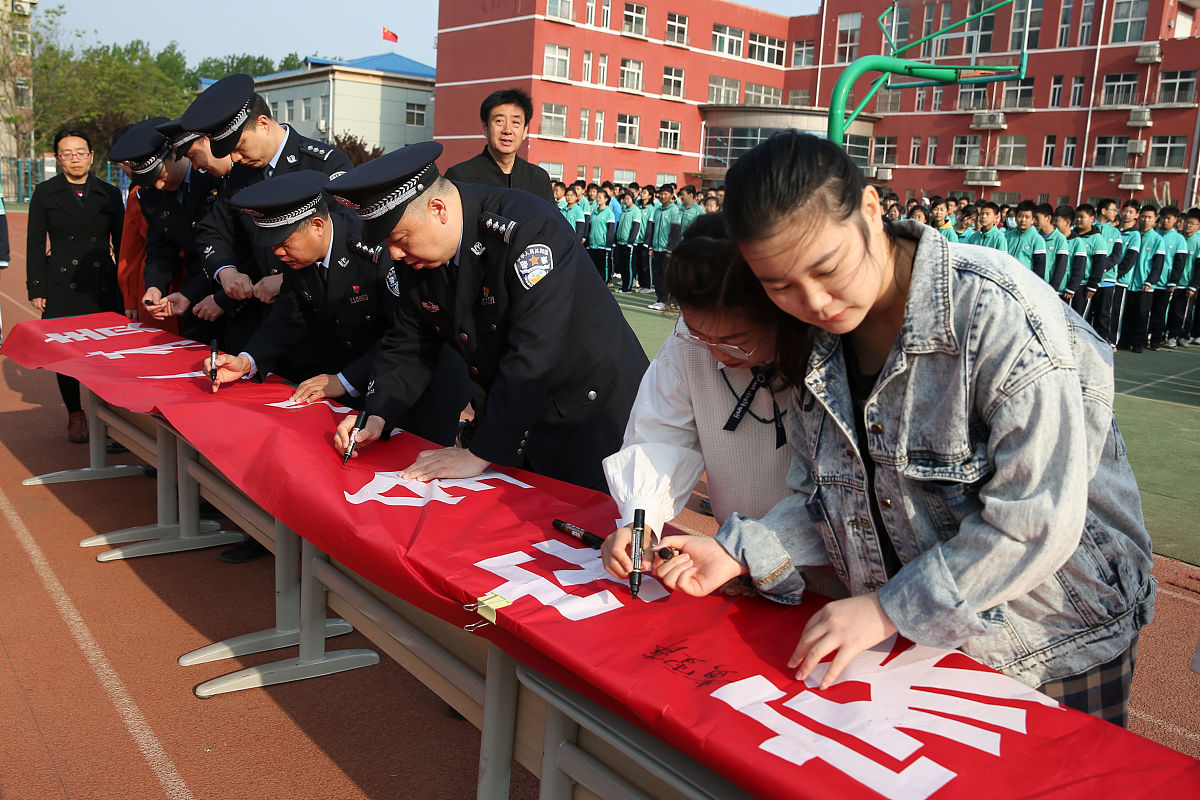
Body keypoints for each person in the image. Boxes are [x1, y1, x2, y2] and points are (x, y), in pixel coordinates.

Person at [651, 132, 1155, 726]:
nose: (814, 301)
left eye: (827, 267)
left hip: (1050, 646)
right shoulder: (817, 341)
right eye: (779, 285)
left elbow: (1037, 519)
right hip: (919, 645)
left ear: (870, 209)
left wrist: (890, 610)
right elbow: (824, 494)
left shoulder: (995, 314)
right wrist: (738, 551)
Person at [326, 141, 648, 491]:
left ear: (437, 209)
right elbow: (409, 340)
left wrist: (481, 451)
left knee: (596, 529)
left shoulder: (527, 231)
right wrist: (377, 414)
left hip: (590, 411)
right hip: (516, 408)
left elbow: (534, 352)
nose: (394, 253)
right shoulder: (417, 256)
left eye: (400, 238)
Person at [600, 214, 842, 596]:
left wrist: (746, 550)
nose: (716, 354)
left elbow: (836, 493)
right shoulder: (688, 345)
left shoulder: (828, 359)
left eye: (735, 340)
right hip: (728, 562)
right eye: (700, 335)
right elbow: (661, 434)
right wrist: (640, 521)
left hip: (832, 573)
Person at [182, 73, 352, 355]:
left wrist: (286, 280)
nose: (235, 159)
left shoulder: (323, 163)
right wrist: (227, 272)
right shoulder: (241, 175)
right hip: (260, 326)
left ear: (263, 124)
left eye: (238, 147)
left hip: (314, 326)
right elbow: (214, 230)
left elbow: (342, 239)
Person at [26, 128, 125, 444]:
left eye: (80, 152)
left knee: (106, 354)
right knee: (66, 354)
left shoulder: (109, 194)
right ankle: (76, 413)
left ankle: (107, 416)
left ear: (91, 156)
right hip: (62, 284)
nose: (75, 158)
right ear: (57, 158)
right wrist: (37, 287)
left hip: (103, 284)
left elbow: (123, 244)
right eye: (67, 153)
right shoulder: (45, 193)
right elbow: (33, 243)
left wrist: (127, 285)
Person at [108, 118, 223, 344]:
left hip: (228, 291)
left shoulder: (213, 177)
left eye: (159, 176)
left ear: (174, 152)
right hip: (191, 299)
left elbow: (231, 248)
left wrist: (192, 293)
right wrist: (154, 287)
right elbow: (160, 248)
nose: (158, 186)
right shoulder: (149, 195)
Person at [444, 88, 554, 203]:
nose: (507, 130)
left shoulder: (539, 179)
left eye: (515, 123)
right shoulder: (460, 177)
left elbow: (551, 221)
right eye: (499, 121)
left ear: (525, 130)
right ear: (485, 128)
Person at [647, 185, 682, 311]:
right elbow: (652, 230)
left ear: (672, 195)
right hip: (656, 248)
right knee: (656, 275)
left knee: (666, 275)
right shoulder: (657, 210)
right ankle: (660, 299)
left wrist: (670, 249)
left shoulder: (674, 210)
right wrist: (650, 246)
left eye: (666, 194)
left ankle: (666, 301)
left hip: (667, 250)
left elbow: (675, 231)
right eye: (661, 194)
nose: (662, 196)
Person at [1004, 200, 1047, 278]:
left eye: (1027, 217)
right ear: (1016, 217)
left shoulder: (1037, 240)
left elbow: (1039, 269)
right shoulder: (1006, 236)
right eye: (1020, 216)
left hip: (1025, 282)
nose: (1023, 220)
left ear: (1033, 220)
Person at [585, 188, 615, 283]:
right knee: (593, 268)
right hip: (593, 245)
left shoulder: (609, 213)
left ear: (606, 199)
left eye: (600, 197)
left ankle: (604, 283)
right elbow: (589, 228)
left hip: (603, 246)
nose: (597, 199)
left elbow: (610, 231)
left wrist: (608, 246)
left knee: (603, 268)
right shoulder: (593, 212)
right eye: (597, 197)